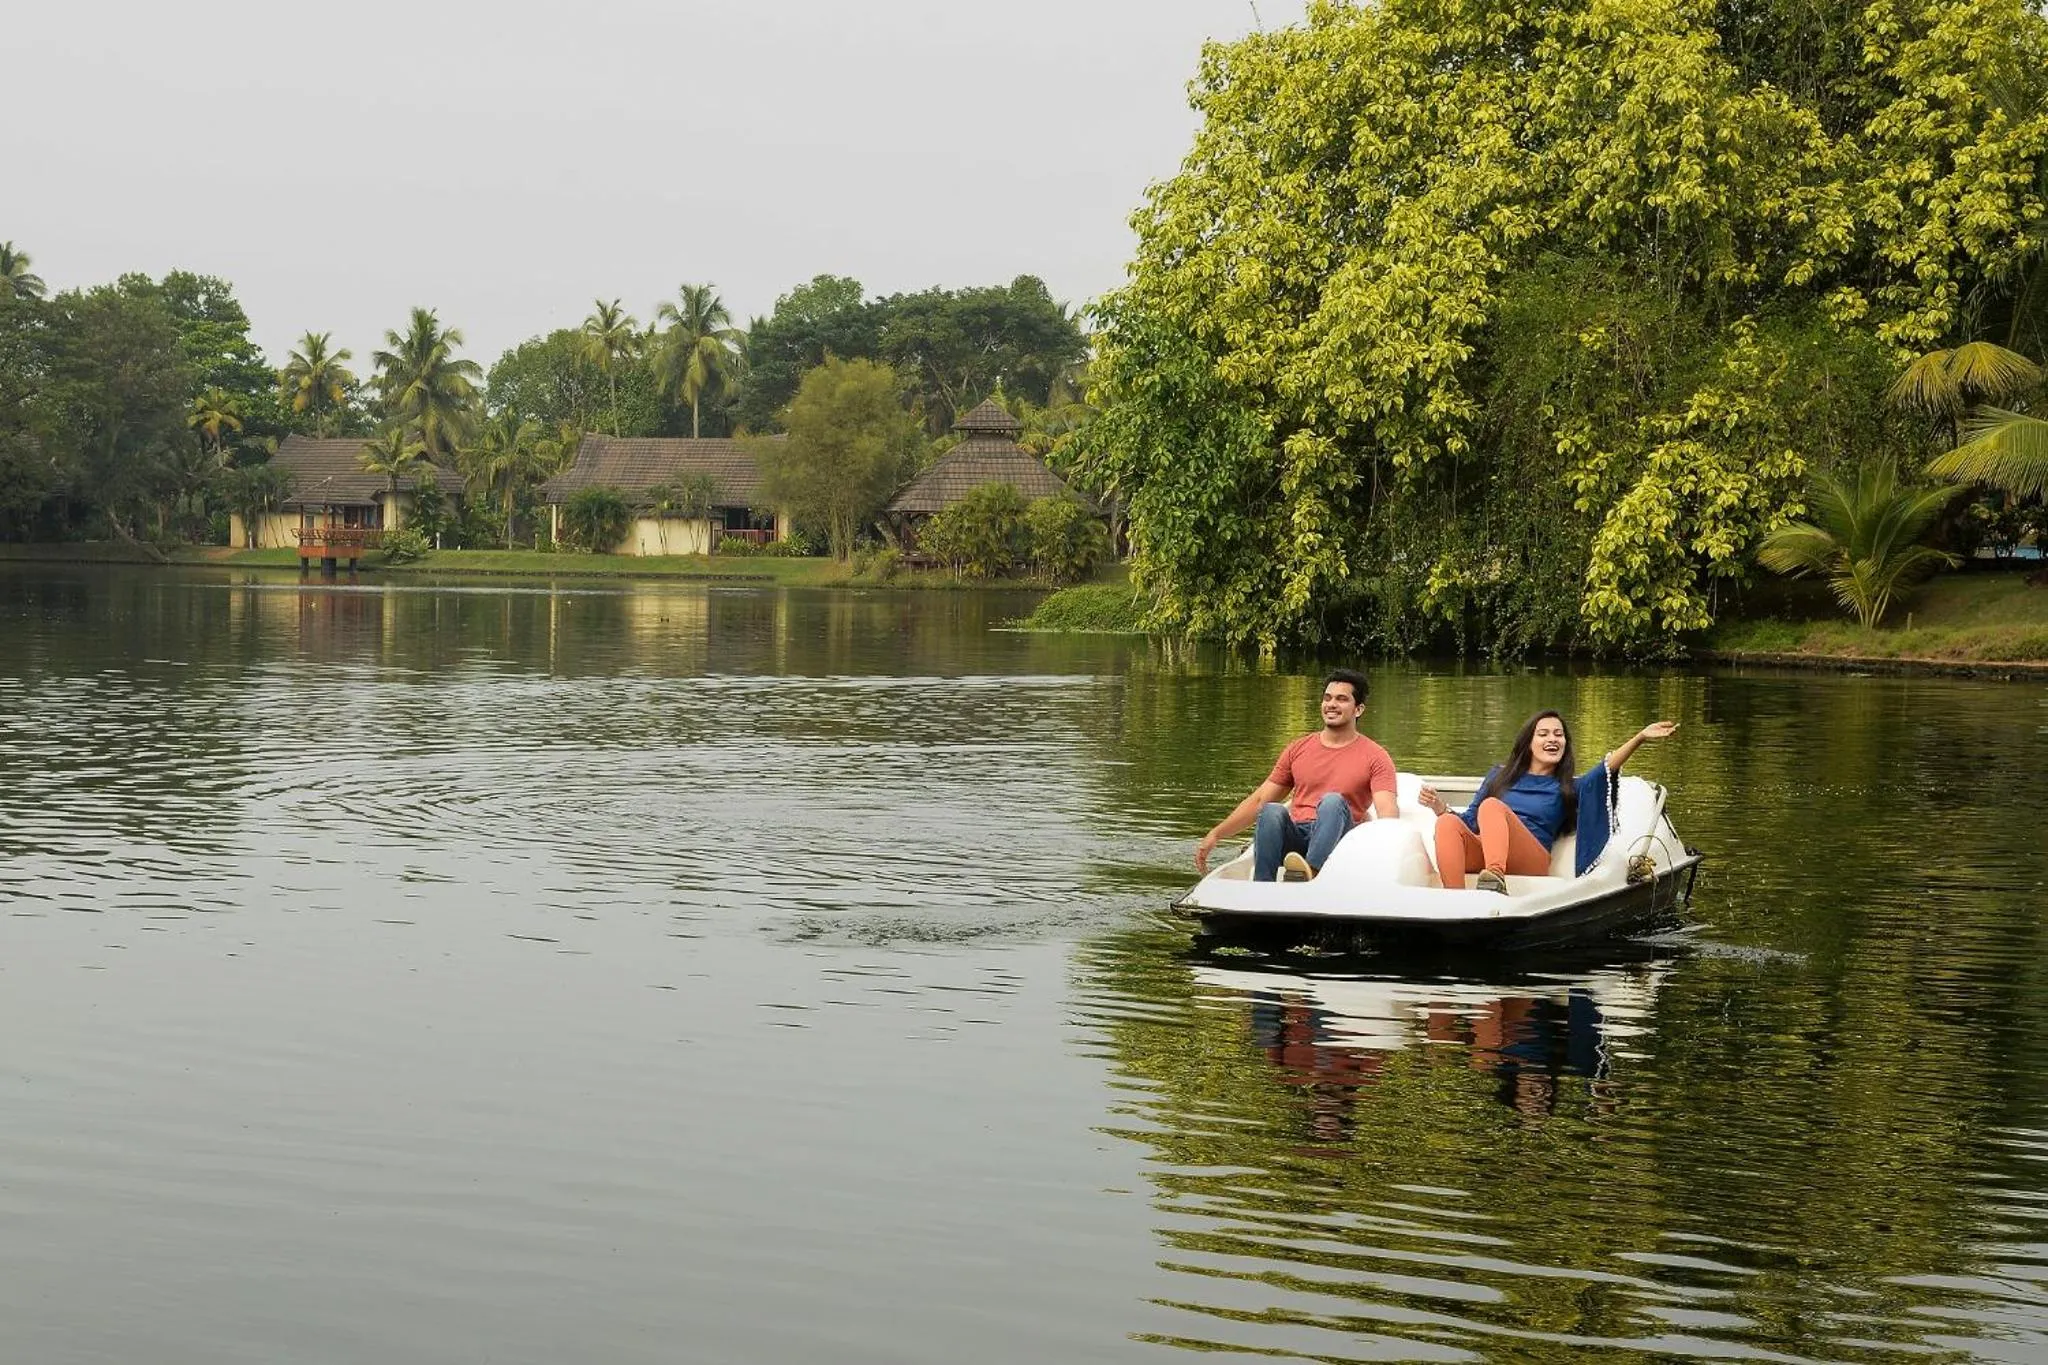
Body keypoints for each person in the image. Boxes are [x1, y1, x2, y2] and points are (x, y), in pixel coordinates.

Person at [1419, 712, 1678, 893]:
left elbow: (1604, 769)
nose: (1553, 739)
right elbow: (1470, 820)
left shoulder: (1567, 786)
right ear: (1529, 743)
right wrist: (1440, 808)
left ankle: (1494, 878)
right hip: (1488, 849)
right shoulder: (1498, 775)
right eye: (1543, 734)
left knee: (1492, 807)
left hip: (1530, 859)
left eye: (1559, 734)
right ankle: (1454, 899)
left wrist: (1640, 738)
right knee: (1447, 824)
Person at [1195, 670, 1399, 882]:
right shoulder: (1298, 749)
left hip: (1341, 844)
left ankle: (1311, 874)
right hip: (1297, 838)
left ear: (1358, 709)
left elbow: (1388, 813)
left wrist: (1382, 858)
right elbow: (1259, 799)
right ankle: (1261, 886)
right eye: (1327, 698)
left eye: (1342, 699)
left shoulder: (1376, 756)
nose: (1331, 704)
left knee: (1332, 801)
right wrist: (1216, 834)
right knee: (1271, 810)